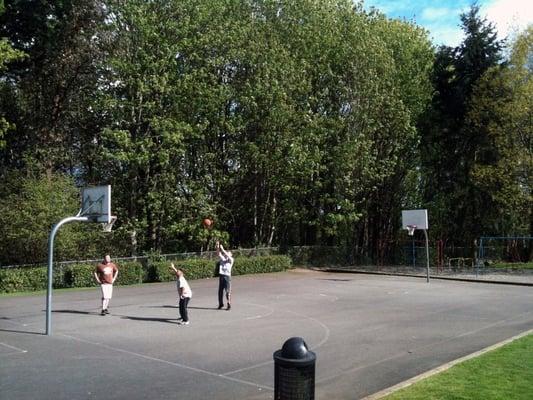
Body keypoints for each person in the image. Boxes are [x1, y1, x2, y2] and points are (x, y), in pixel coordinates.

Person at [216, 241, 234, 310]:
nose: (226, 254)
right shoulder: (223, 259)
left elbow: (228, 255)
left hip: (227, 277)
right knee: (220, 291)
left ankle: (228, 303)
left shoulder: (231, 260)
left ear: (231, 255)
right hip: (221, 276)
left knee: (227, 291)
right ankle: (221, 304)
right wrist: (217, 247)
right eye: (226, 253)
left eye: (229, 253)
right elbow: (218, 253)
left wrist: (223, 249)